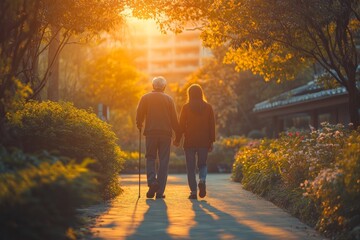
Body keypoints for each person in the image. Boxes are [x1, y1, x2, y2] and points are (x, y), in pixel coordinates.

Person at [136, 76, 179, 199]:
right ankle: (159, 192)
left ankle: (152, 182)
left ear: (153, 86)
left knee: (150, 158)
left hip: (151, 133)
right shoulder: (169, 100)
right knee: (163, 161)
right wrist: (178, 135)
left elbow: (139, 114)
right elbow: (174, 120)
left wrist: (139, 124)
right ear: (164, 87)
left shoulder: (145, 98)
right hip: (165, 134)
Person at [174, 84, 215, 199]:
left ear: (189, 94)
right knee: (202, 164)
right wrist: (211, 141)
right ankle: (202, 180)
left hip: (190, 142)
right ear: (201, 93)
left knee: (190, 168)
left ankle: (193, 192)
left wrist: (177, 139)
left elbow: (181, 126)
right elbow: (211, 126)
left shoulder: (186, 107)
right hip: (204, 141)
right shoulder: (208, 107)